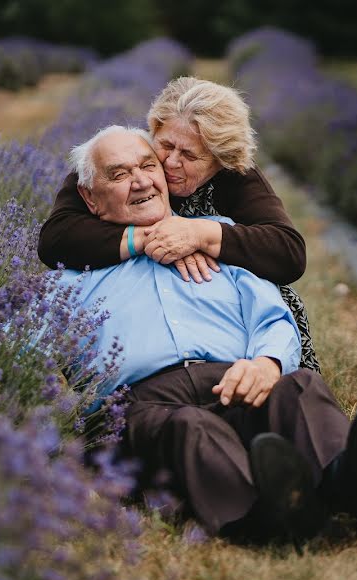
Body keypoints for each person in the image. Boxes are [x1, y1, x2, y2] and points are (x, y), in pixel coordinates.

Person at [61, 125, 357, 542]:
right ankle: (268, 516)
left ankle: (351, 482)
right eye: (118, 175)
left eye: (147, 166)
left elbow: (272, 317)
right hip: (144, 403)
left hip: (234, 378)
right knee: (189, 427)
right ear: (89, 198)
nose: (140, 181)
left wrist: (266, 363)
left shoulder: (218, 235)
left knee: (297, 387)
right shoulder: (71, 279)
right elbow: (13, 342)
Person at [37, 77, 320, 372]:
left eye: (188, 155)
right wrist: (152, 237)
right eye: (166, 145)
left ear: (219, 160)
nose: (171, 162)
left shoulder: (236, 176)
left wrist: (202, 234)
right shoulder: (123, 163)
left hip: (228, 310)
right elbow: (56, 239)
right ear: (154, 130)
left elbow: (288, 252)